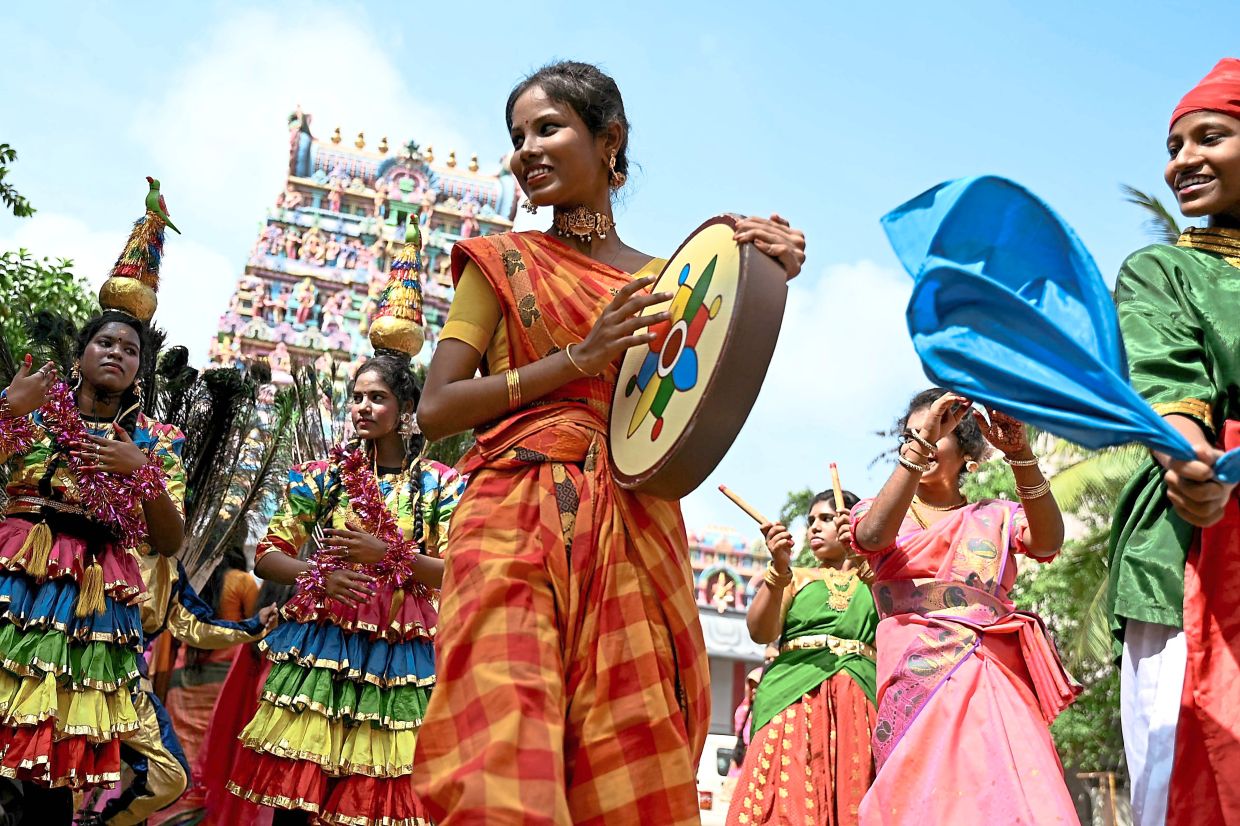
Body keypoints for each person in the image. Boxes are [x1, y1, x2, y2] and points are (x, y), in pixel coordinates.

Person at [410, 59, 806, 825]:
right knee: (503, 719)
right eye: (517, 136)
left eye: (548, 127)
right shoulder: (501, 265)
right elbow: (435, 408)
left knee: (630, 732)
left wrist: (765, 273)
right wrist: (576, 362)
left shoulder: (671, 281)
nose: (526, 149)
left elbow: (694, 401)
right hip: (511, 511)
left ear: (610, 141)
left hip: (631, 525)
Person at [0, 197, 186, 822]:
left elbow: (170, 540)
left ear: (139, 373)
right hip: (14, 583)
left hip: (93, 606)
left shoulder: (158, 443)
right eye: (103, 342)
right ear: (80, 356)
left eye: (130, 350)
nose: (115, 353)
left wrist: (145, 477)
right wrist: (7, 409)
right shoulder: (29, 409)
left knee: (58, 764)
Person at [226, 351, 464, 825]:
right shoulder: (323, 476)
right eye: (356, 397)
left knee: (373, 791)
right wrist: (319, 575)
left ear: (408, 410)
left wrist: (389, 556)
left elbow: (457, 569)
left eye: (377, 398)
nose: (362, 407)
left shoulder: (441, 485)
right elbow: (268, 555)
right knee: (298, 785)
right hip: (324, 643)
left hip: (399, 653)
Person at [1109, 57, 1240, 826]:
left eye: (1210, 137)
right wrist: (1194, 465)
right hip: (1190, 548)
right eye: (1175, 144)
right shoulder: (1164, 269)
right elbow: (1170, 395)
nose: (1181, 160)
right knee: (1189, 785)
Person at [850, 389, 1079, 825]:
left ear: (968, 455)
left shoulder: (997, 516)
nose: (922, 440)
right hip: (913, 682)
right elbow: (873, 538)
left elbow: (1048, 541)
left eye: (937, 433)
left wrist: (1021, 453)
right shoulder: (880, 513)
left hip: (991, 675)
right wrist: (921, 445)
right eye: (913, 434)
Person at [88, 555, 277, 826]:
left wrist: (253, 626)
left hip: (145, 686)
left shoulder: (169, 568)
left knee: (172, 775)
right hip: (73, 676)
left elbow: (193, 624)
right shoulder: (98, 548)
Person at [727, 489, 878, 826]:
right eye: (810, 521)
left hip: (857, 700)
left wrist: (865, 553)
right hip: (793, 697)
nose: (814, 527)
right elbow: (761, 632)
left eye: (826, 518)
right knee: (788, 797)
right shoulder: (795, 578)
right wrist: (779, 567)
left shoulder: (876, 579)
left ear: (850, 522)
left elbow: (897, 616)